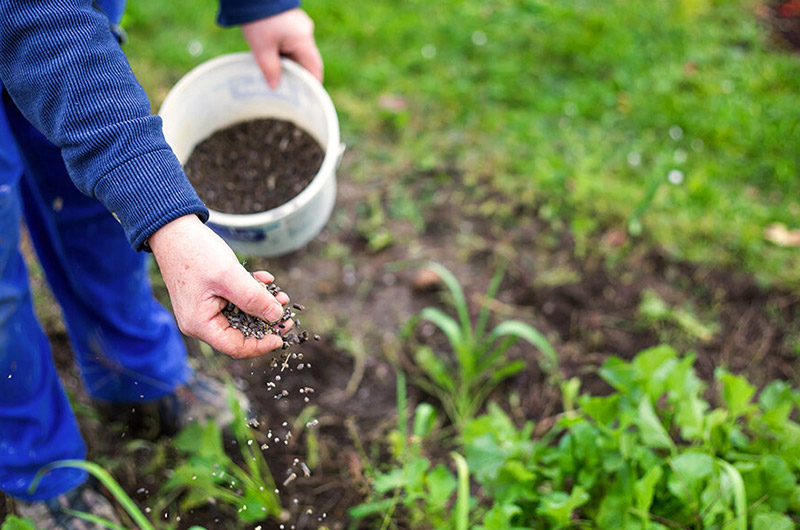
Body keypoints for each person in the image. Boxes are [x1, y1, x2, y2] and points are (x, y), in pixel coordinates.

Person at [0, 0, 323, 527]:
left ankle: (132, 371)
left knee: (94, 199)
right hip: (44, 17)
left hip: (72, 18)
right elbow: (37, 21)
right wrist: (168, 221)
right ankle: (37, 464)